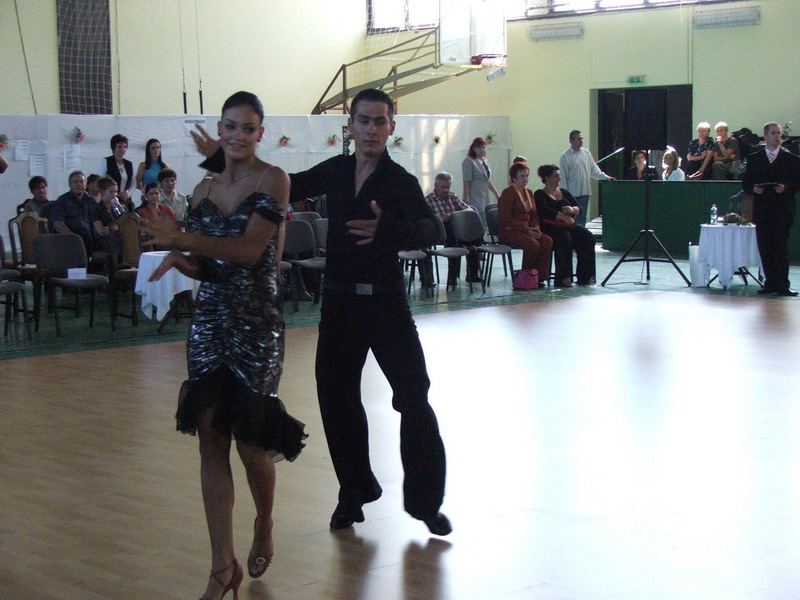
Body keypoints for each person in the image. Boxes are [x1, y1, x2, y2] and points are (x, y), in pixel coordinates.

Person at [192, 90, 451, 536]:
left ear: (392, 127)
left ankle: (425, 503)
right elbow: (276, 185)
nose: (371, 129)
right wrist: (222, 159)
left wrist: (389, 229)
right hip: (339, 304)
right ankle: (354, 492)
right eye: (364, 120)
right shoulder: (335, 170)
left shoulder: (399, 181)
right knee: (337, 401)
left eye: (380, 121)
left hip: (386, 304)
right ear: (350, 125)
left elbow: (433, 229)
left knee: (413, 397)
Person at [141, 91, 307, 600]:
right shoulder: (202, 189)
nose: (238, 136)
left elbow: (249, 251)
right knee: (210, 438)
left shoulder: (273, 179)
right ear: (219, 129)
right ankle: (221, 567)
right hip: (211, 321)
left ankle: (264, 522)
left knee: (252, 444)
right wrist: (181, 259)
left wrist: (184, 240)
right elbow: (212, 266)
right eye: (230, 126)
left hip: (257, 322)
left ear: (260, 133)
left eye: (248, 128)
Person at [741, 121, 800, 297]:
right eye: (773, 133)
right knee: (765, 246)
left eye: (778, 133)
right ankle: (770, 282)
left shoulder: (791, 159)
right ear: (765, 135)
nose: (777, 136)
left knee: (780, 247)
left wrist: (786, 188)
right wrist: (754, 189)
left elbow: (797, 182)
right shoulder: (755, 158)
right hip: (763, 209)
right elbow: (746, 183)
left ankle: (783, 284)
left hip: (783, 209)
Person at [533, 164, 596, 286]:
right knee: (564, 238)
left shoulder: (564, 192)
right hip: (550, 227)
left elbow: (579, 207)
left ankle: (586, 276)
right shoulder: (540, 194)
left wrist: (572, 210)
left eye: (559, 175)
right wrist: (562, 216)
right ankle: (564, 277)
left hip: (567, 225)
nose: (559, 178)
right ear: (546, 178)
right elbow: (544, 211)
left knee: (587, 236)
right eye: (555, 176)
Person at [497, 162, 553, 283]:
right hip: (510, 230)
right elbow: (506, 219)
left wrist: (535, 227)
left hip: (527, 230)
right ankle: (525, 277)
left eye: (527, 175)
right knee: (532, 244)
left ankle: (539, 277)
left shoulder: (529, 192)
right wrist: (527, 230)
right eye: (522, 176)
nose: (525, 178)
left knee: (547, 241)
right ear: (514, 178)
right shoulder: (508, 193)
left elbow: (534, 214)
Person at [424, 171, 482, 283]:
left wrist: (458, 215)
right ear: (435, 186)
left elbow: (468, 209)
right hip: (440, 231)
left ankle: (472, 275)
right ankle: (452, 277)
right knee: (453, 240)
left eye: (448, 187)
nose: (446, 190)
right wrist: (440, 218)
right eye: (443, 187)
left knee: (474, 238)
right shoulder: (428, 200)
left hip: (456, 228)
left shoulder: (453, 197)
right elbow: (426, 220)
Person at [559, 130, 615, 227]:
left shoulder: (586, 153)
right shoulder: (565, 157)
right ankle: (574, 235)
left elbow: (594, 170)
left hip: (585, 191)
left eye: (582, 138)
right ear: (571, 140)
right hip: (572, 193)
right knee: (572, 217)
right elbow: (563, 178)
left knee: (582, 216)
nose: (581, 141)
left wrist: (605, 177)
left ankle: (581, 235)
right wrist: (565, 195)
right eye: (578, 139)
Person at [49, 170, 97, 254]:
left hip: (89, 238)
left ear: (86, 184)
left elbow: (97, 218)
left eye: (81, 181)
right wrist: (73, 238)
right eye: (75, 182)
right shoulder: (62, 200)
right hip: (69, 240)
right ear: (70, 185)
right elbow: (58, 223)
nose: (79, 184)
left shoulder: (90, 200)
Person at [462, 136, 499, 214]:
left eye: (483, 147)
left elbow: (487, 180)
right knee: (478, 215)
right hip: (474, 196)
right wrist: (466, 198)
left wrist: (496, 194)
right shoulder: (469, 161)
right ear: (474, 148)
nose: (482, 150)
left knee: (486, 214)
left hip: (484, 195)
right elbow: (466, 182)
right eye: (479, 148)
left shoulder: (485, 160)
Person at [96, 134, 135, 204]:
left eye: (124, 147)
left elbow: (133, 183)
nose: (122, 149)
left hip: (126, 200)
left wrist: (127, 193)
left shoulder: (129, 164)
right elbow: (100, 181)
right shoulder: (106, 161)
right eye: (119, 147)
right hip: (110, 200)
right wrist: (116, 193)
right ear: (114, 148)